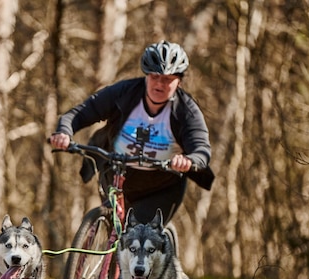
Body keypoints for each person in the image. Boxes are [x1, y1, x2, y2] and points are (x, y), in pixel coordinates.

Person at [48, 40, 214, 225]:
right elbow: (80, 113)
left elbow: (201, 149)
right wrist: (64, 133)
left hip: (161, 187)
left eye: (167, 80)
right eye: (154, 77)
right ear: (146, 76)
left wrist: (188, 161)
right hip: (116, 174)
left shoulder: (186, 111)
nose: (159, 84)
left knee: (139, 238)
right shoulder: (124, 93)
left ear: (179, 81)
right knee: (113, 229)